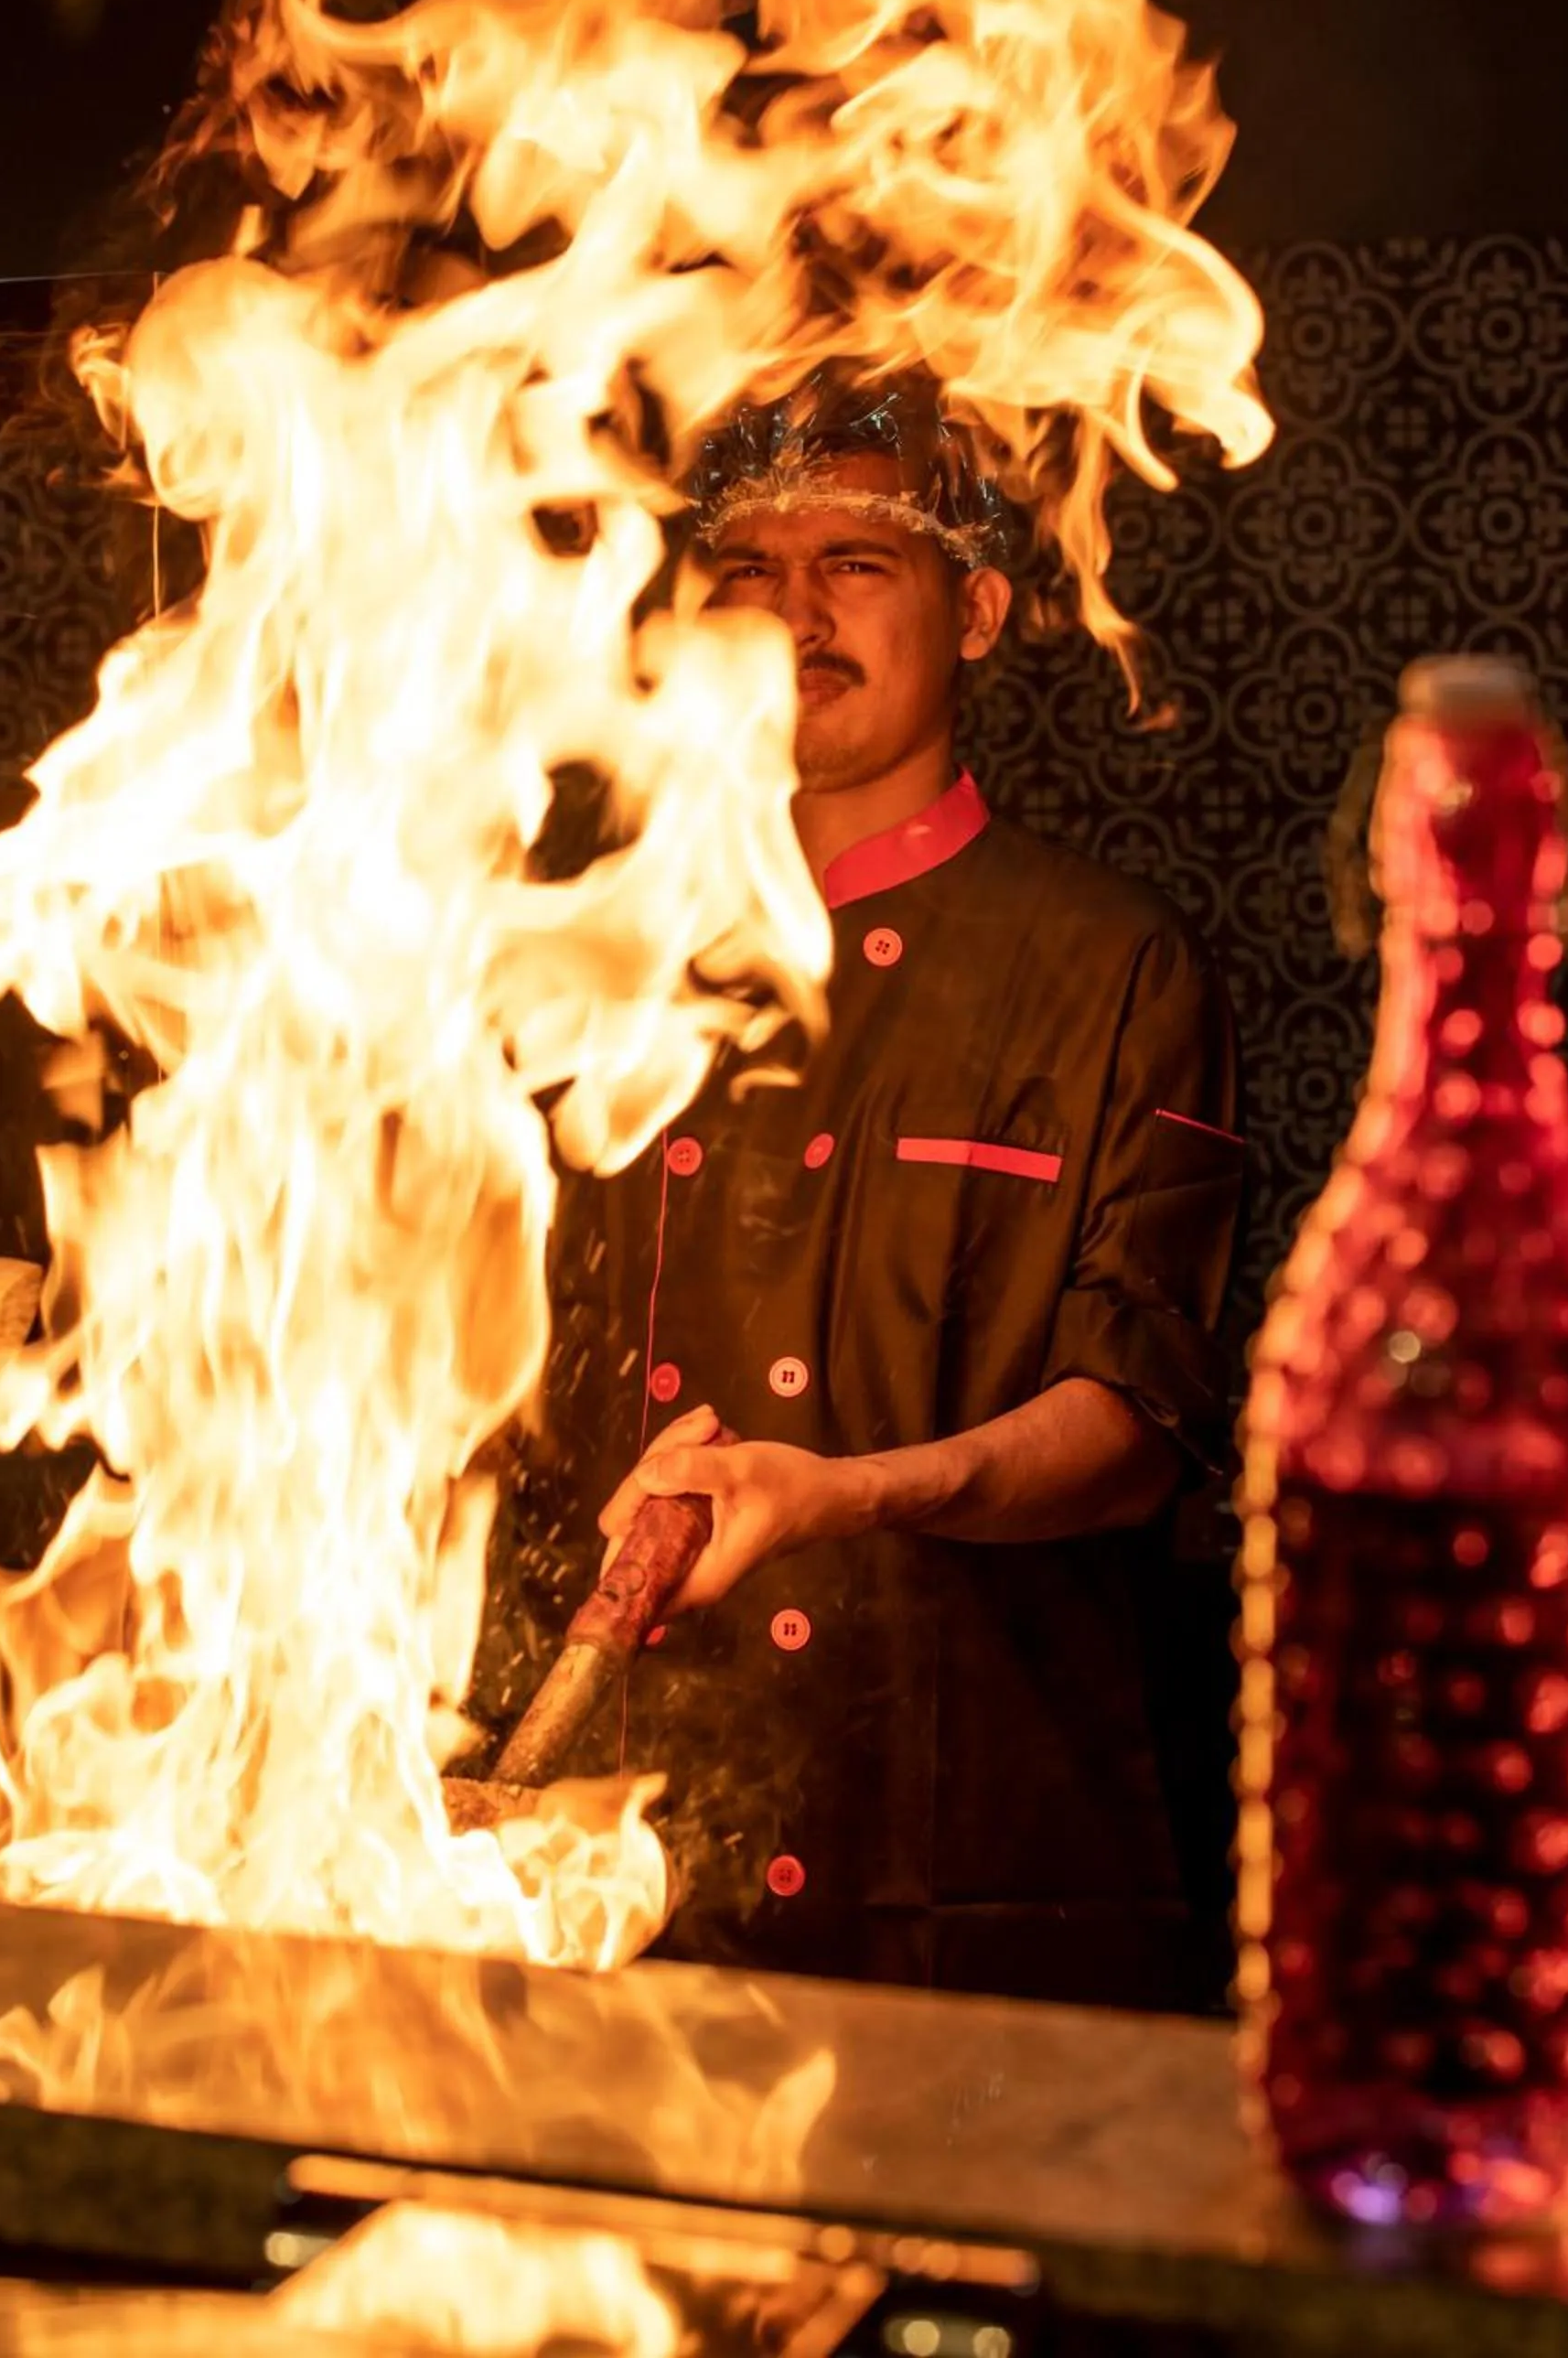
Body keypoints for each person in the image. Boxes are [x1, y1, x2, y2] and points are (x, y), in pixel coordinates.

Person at [532, 371, 1246, 2009]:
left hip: (973, 1870)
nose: (797, 615)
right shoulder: (590, 968)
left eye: (854, 564)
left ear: (976, 607)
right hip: (619, 1860)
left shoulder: (1111, 966)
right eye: (746, 575)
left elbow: (1137, 1433)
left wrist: (844, 1494)